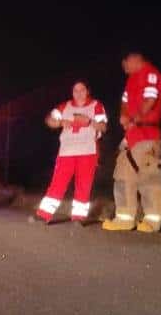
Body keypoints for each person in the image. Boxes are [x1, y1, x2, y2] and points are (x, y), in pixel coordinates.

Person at [107, 52, 161, 232]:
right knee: (122, 176)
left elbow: (150, 99)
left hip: (147, 135)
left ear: (135, 59)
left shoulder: (151, 74)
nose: (123, 66)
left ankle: (152, 222)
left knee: (148, 179)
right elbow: (124, 101)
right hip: (132, 137)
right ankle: (124, 218)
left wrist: (135, 118)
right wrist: (124, 115)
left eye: (125, 62)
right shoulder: (131, 79)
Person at [34, 81, 108, 226]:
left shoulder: (96, 105)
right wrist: (60, 122)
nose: (78, 93)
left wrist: (89, 121)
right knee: (57, 183)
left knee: (83, 185)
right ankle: (44, 214)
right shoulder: (64, 106)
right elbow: (49, 120)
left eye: (82, 90)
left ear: (88, 91)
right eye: (75, 90)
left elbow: (103, 127)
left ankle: (78, 218)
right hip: (66, 151)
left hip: (88, 151)